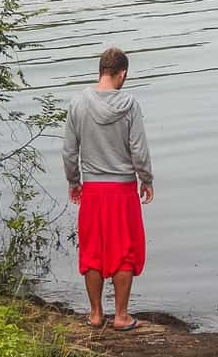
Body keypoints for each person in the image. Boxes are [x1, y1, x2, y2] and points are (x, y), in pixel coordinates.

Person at [62, 47, 154, 331]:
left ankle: (95, 314)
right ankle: (121, 316)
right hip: (123, 190)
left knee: (93, 250)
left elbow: (68, 151)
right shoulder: (130, 105)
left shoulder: (78, 103)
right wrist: (146, 179)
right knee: (124, 250)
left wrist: (74, 182)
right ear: (122, 73)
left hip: (93, 189)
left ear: (101, 70)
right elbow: (138, 149)